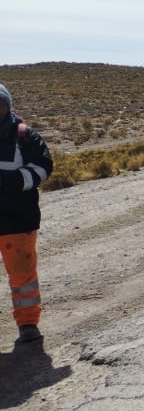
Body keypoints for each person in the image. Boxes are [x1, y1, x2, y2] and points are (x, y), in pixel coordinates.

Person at [0, 84, 54, 343]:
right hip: (16, 218)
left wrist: (8, 181)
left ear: (7, 106)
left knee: (22, 274)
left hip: (17, 219)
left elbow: (44, 167)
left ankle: (28, 323)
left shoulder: (24, 135)